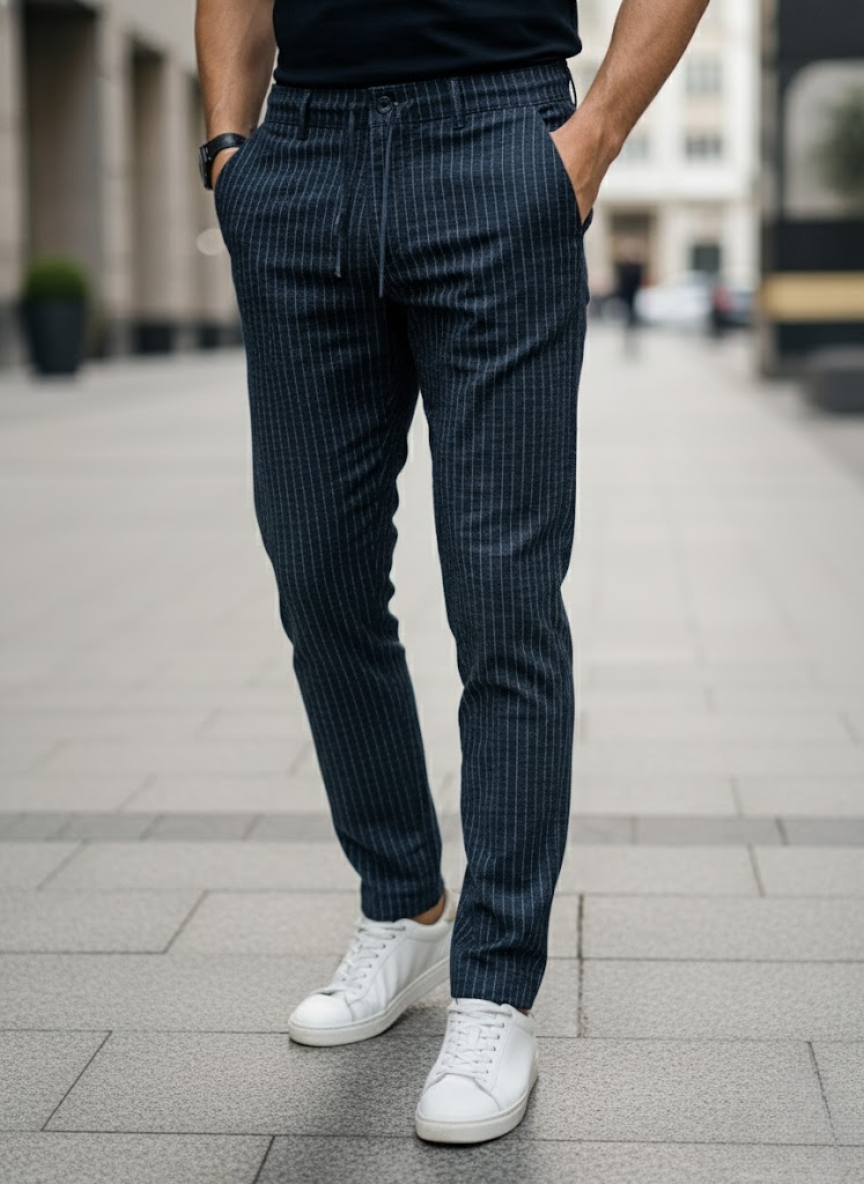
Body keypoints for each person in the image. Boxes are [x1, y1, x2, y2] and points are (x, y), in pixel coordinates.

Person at [195, 0, 709, 1144]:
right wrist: (231, 151)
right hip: (301, 153)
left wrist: (594, 139)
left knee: (502, 593)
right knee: (316, 571)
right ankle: (404, 900)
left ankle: (491, 989)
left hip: (497, 142)